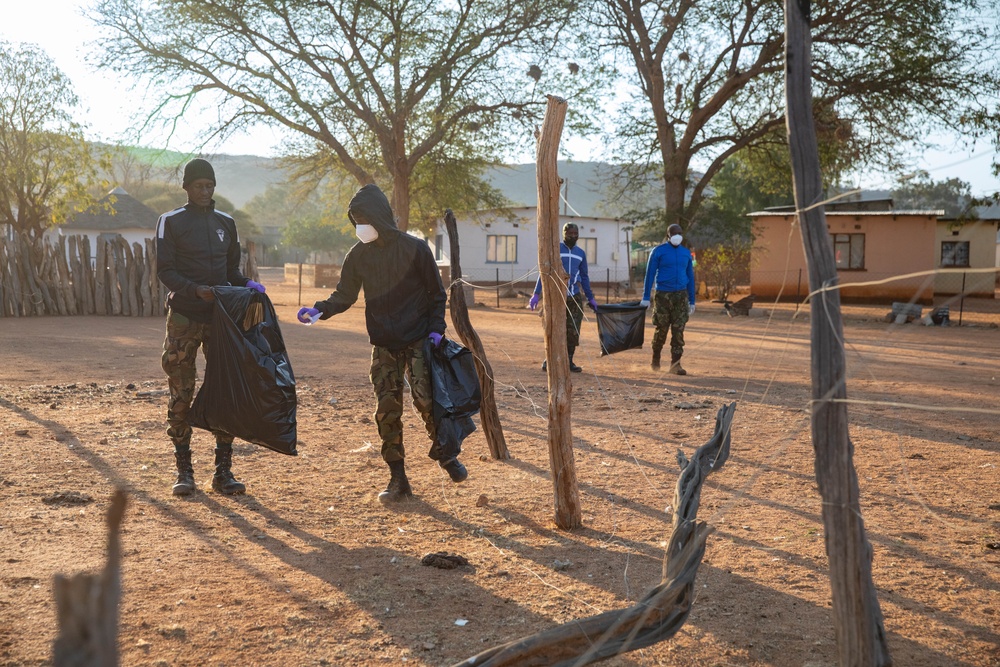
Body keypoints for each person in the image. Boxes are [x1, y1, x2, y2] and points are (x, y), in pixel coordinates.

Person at [296, 184, 466, 504]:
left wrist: (436, 330)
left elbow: (436, 294)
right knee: (386, 411)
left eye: (363, 218)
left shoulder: (415, 249)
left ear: (378, 217)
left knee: (428, 400)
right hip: (383, 345)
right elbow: (344, 295)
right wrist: (319, 310)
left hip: (418, 339)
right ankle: (398, 478)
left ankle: (446, 454)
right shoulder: (358, 255)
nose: (358, 226)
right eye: (354, 219)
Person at [156, 158, 266, 496]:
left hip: (222, 321)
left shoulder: (226, 223)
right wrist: (194, 291)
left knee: (224, 391)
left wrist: (248, 284)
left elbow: (231, 272)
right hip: (185, 319)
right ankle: (184, 471)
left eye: (210, 186)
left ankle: (223, 471)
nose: (205, 191)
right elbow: (165, 270)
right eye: (199, 186)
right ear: (187, 187)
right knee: (181, 393)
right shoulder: (170, 221)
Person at [528, 222, 598, 373]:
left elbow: (584, 277)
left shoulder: (580, 253)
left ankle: (569, 360)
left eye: (575, 233)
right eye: (569, 234)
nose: (573, 236)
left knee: (573, 331)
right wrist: (536, 294)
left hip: (574, 296)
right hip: (555, 296)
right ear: (563, 234)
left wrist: (590, 297)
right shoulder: (555, 249)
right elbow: (544, 273)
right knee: (554, 328)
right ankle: (550, 359)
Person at [640, 223, 695, 374]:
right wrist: (646, 297)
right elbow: (649, 274)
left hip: (681, 295)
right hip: (663, 295)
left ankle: (675, 364)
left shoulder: (686, 253)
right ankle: (655, 360)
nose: (677, 235)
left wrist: (692, 300)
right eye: (674, 233)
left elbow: (690, 276)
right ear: (668, 235)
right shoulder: (658, 251)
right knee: (661, 329)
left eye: (680, 232)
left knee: (679, 330)